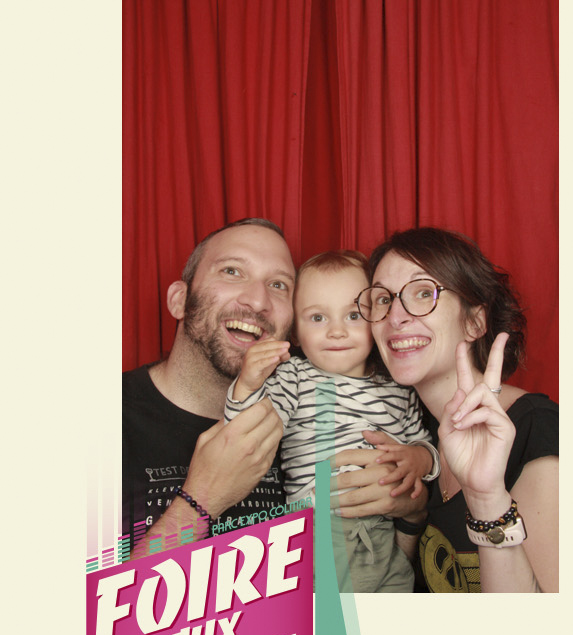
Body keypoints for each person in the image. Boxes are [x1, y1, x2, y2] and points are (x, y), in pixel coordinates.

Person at [345, 228, 558, 592]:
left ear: (475, 322)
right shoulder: (414, 434)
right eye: (383, 299)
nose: (395, 316)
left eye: (423, 293)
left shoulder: (537, 430)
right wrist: (410, 515)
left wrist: (487, 500)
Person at [223, 251, 438, 593]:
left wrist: (420, 457)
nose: (337, 331)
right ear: (295, 331)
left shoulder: (398, 385)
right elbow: (245, 433)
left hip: (385, 537)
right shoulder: (294, 376)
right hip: (317, 531)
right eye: (318, 318)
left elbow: (423, 442)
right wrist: (247, 385)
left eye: (353, 316)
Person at [122, 219, 294, 555]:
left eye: (278, 285)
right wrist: (202, 500)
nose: (258, 301)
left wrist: (403, 515)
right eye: (232, 271)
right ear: (179, 301)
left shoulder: (303, 419)